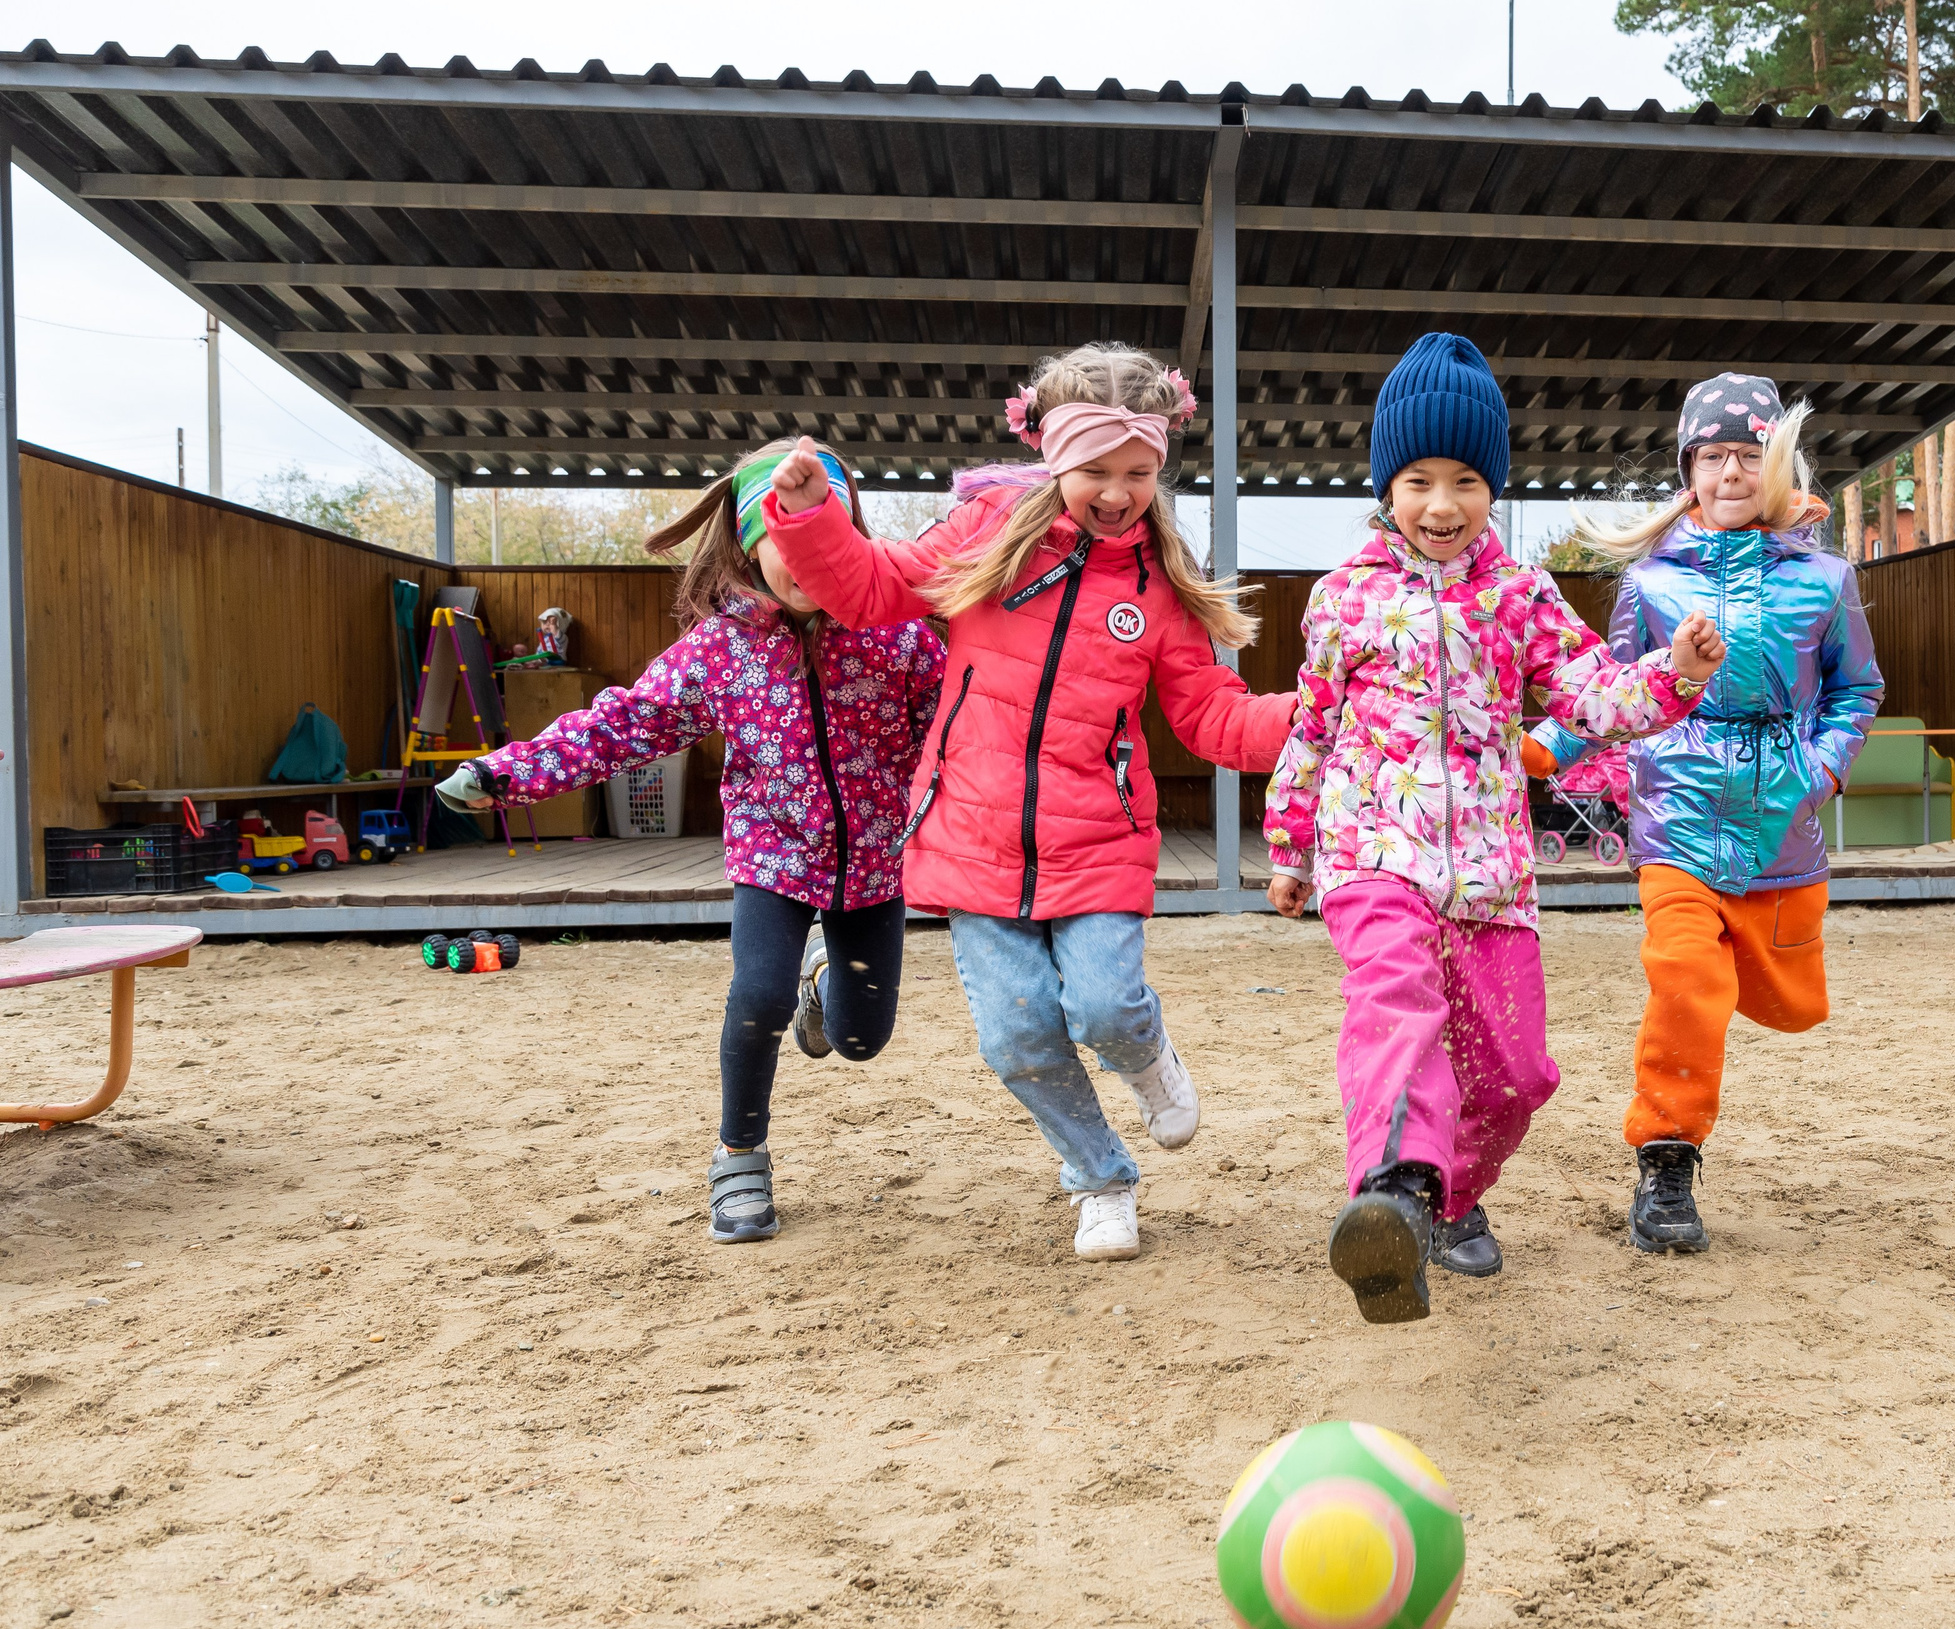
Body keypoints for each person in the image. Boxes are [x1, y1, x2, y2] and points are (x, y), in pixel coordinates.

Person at [758, 344, 1294, 1261]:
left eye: (1138, 473)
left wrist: (1314, 717)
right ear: (1053, 454)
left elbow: (1210, 714)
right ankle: (1101, 1178)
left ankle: (1147, 1055)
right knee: (1016, 1034)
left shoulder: (1157, 583)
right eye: (1096, 470)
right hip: (972, 829)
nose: (1117, 493)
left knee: (1106, 1007)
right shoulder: (987, 531)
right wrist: (809, 519)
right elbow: (872, 588)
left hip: (1099, 836)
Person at [1264, 331, 1725, 1325]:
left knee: (1515, 1076)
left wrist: (1676, 673)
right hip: (1374, 851)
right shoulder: (1344, 598)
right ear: (1386, 485)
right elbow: (1311, 725)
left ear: (1493, 488)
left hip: (1489, 870)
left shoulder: (1521, 596)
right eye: (1419, 480)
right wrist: (1292, 842)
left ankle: (1450, 1192)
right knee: (1398, 1007)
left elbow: (1592, 693)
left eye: (1467, 481)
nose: (1442, 504)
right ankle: (1394, 1188)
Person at [436, 441, 945, 1243]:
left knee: (860, 1037)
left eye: (826, 539)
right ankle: (739, 1152)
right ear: (749, 546)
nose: (808, 564)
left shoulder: (898, 635)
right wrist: (506, 771)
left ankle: (823, 991)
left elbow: (959, 721)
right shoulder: (721, 649)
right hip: (773, 852)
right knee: (760, 994)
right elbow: (621, 724)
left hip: (875, 861)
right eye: (786, 544)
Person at [1526, 373, 1882, 1257]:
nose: (1730, 472)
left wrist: (1820, 770)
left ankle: (1677, 1129)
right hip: (1675, 818)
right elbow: (1608, 692)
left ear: (1778, 465)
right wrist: (1537, 751)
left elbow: (1856, 690)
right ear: (1688, 470)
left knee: (1785, 1002)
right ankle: (1667, 1159)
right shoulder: (1650, 583)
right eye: (1712, 455)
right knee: (1686, 979)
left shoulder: (1827, 581)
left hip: (1780, 822)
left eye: (1748, 455)